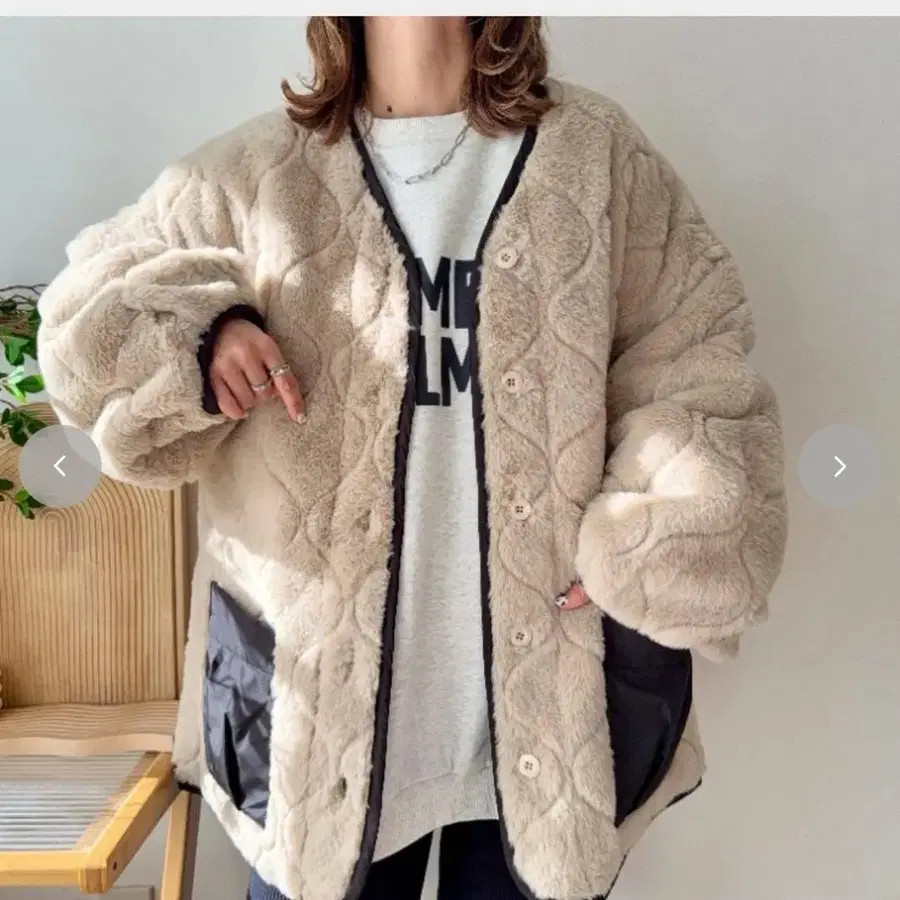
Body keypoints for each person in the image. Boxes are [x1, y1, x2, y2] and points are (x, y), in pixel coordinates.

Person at [37, 15, 788, 900]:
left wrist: (651, 528)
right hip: (314, 722)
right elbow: (85, 326)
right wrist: (204, 333)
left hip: (547, 708)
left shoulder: (597, 155)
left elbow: (696, 354)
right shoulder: (250, 175)